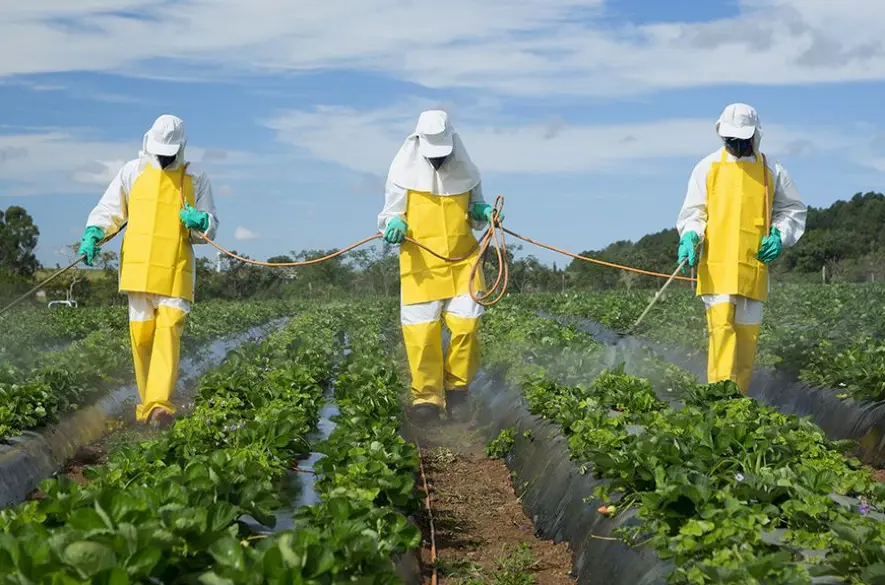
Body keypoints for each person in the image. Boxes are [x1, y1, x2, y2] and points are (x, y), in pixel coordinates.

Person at [78, 114, 218, 427]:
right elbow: (109, 210)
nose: (164, 156)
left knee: (168, 332)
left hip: (175, 268)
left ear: (180, 148)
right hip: (138, 269)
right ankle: (147, 409)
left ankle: (159, 407)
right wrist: (93, 234)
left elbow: (210, 228)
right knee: (141, 337)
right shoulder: (132, 171)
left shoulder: (196, 178)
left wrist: (201, 221)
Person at [378, 109, 501, 422]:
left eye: (442, 155)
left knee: (467, 325)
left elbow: (474, 213)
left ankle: (457, 388)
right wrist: (394, 225)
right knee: (422, 334)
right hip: (421, 264)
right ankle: (427, 399)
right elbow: (390, 214)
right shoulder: (401, 173)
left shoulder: (467, 171)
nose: (438, 161)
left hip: (463, 262)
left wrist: (483, 211)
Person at [676, 103, 806, 394]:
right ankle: (718, 402)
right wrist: (690, 237)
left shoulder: (771, 170)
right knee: (721, 335)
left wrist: (779, 235)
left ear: (754, 136)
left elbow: (792, 210)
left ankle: (739, 404)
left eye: (741, 139)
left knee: (746, 344)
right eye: (730, 140)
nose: (736, 145)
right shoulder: (707, 167)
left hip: (753, 267)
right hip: (717, 267)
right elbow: (694, 213)